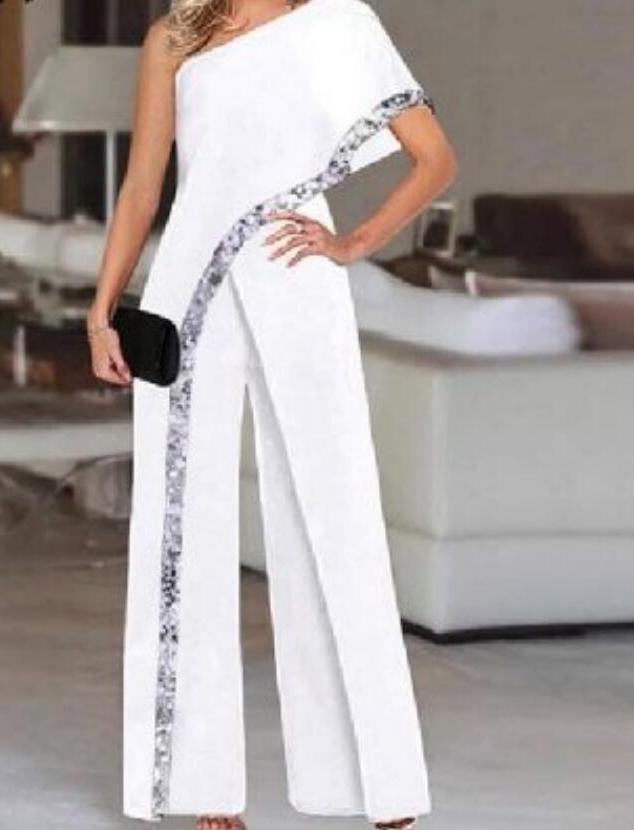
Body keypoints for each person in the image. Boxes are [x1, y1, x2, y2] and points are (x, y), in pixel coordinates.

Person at [87, 1, 458, 828]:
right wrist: (102, 308)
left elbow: (435, 158)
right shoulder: (174, 36)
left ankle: (375, 780)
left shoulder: (337, 23)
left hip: (297, 271)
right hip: (185, 289)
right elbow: (144, 185)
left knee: (335, 506)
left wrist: (353, 242)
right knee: (181, 522)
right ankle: (198, 782)